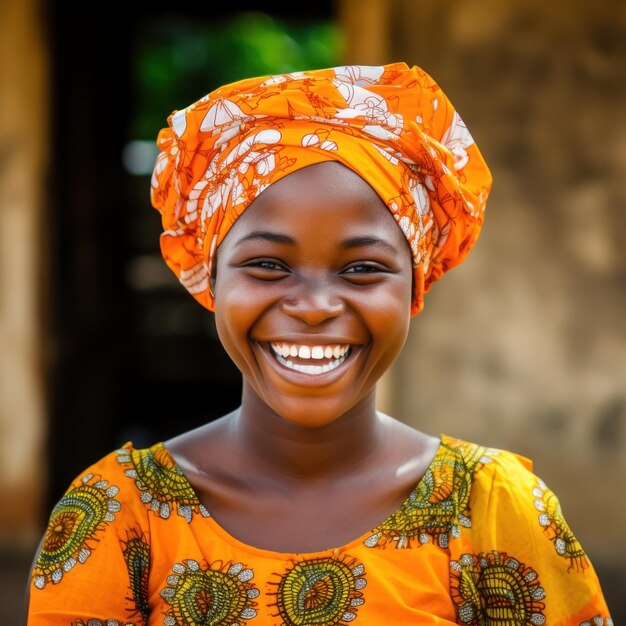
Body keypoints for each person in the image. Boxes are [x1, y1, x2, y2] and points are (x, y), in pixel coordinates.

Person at [25, 62, 612, 625]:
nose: (314, 306)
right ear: (210, 278)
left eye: (361, 269)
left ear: (416, 284)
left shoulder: (494, 512)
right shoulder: (119, 518)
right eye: (267, 265)